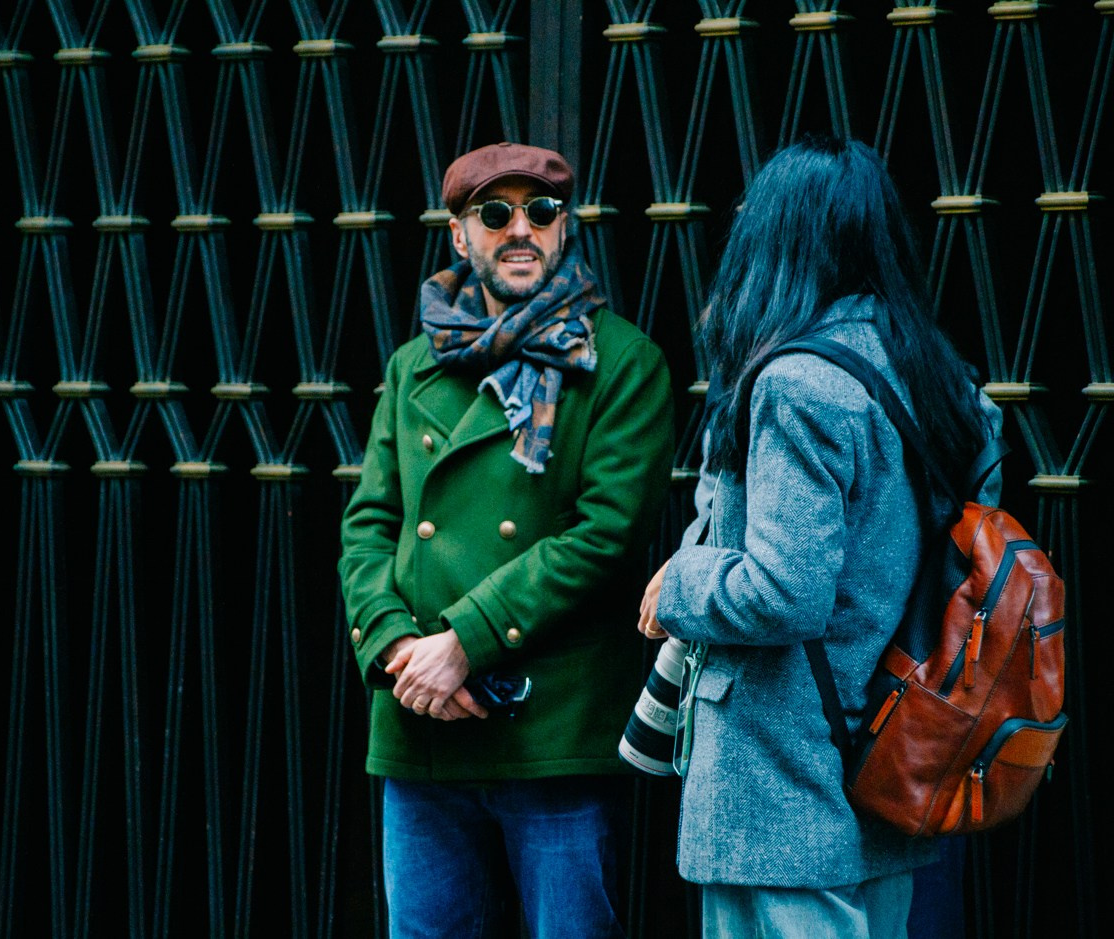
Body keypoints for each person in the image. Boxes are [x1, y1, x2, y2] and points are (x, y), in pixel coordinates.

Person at [637, 136, 1000, 938]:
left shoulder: (798, 382)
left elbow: (784, 591)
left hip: (783, 783)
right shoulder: (930, 372)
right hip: (885, 747)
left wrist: (681, 583)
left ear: (775, 238)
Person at [339, 142, 674, 938]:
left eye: (541, 210)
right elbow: (369, 526)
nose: (521, 228)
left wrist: (466, 640)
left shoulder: (623, 363)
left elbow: (604, 537)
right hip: (424, 724)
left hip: (549, 730)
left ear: (564, 226)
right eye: (495, 213)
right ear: (460, 234)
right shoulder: (414, 365)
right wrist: (398, 650)